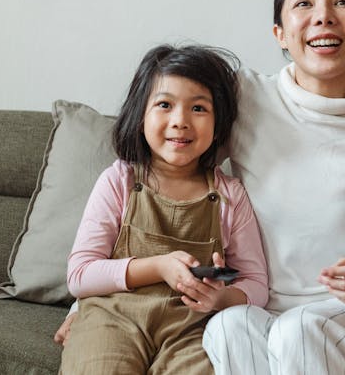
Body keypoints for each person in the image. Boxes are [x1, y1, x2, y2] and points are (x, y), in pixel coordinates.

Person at [56, 0, 345, 374]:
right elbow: (167, 172)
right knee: (225, 328)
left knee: (300, 331)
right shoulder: (245, 98)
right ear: (280, 34)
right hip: (260, 308)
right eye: (304, 4)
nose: (323, 17)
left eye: (342, 3)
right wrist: (88, 304)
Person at [59, 44, 268, 374]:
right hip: (112, 318)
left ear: (219, 122)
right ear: (141, 114)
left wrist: (221, 298)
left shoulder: (231, 195)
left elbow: (257, 285)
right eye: (165, 105)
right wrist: (158, 267)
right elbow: (81, 275)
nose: (180, 121)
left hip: (194, 329)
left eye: (198, 108)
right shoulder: (119, 181)